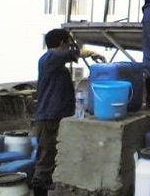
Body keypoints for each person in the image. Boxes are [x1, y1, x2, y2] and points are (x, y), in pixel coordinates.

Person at [32, 28, 102, 196]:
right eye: (68, 44)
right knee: (45, 163)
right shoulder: (49, 58)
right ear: (62, 43)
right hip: (49, 118)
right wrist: (88, 52)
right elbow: (69, 54)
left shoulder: (55, 64)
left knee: (52, 159)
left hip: (55, 117)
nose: (70, 47)